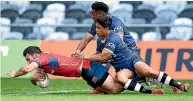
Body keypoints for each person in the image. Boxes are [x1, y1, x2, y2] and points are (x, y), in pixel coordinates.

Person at [78, 15, 190, 94]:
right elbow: (101, 58)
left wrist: (86, 57)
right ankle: (151, 91)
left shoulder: (113, 37)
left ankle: (178, 85)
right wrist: (93, 62)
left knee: (148, 71)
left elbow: (104, 56)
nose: (96, 31)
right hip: (122, 68)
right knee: (119, 79)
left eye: (98, 28)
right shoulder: (100, 41)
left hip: (132, 60)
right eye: (96, 28)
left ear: (107, 28)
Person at [7, 46, 163, 94]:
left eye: (28, 58)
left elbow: (27, 69)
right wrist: (34, 80)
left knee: (115, 89)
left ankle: (143, 78)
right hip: (84, 73)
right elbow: (43, 83)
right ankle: (137, 78)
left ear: (35, 55)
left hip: (88, 68)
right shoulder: (43, 62)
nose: (28, 62)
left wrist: (15, 74)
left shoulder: (42, 59)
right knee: (109, 91)